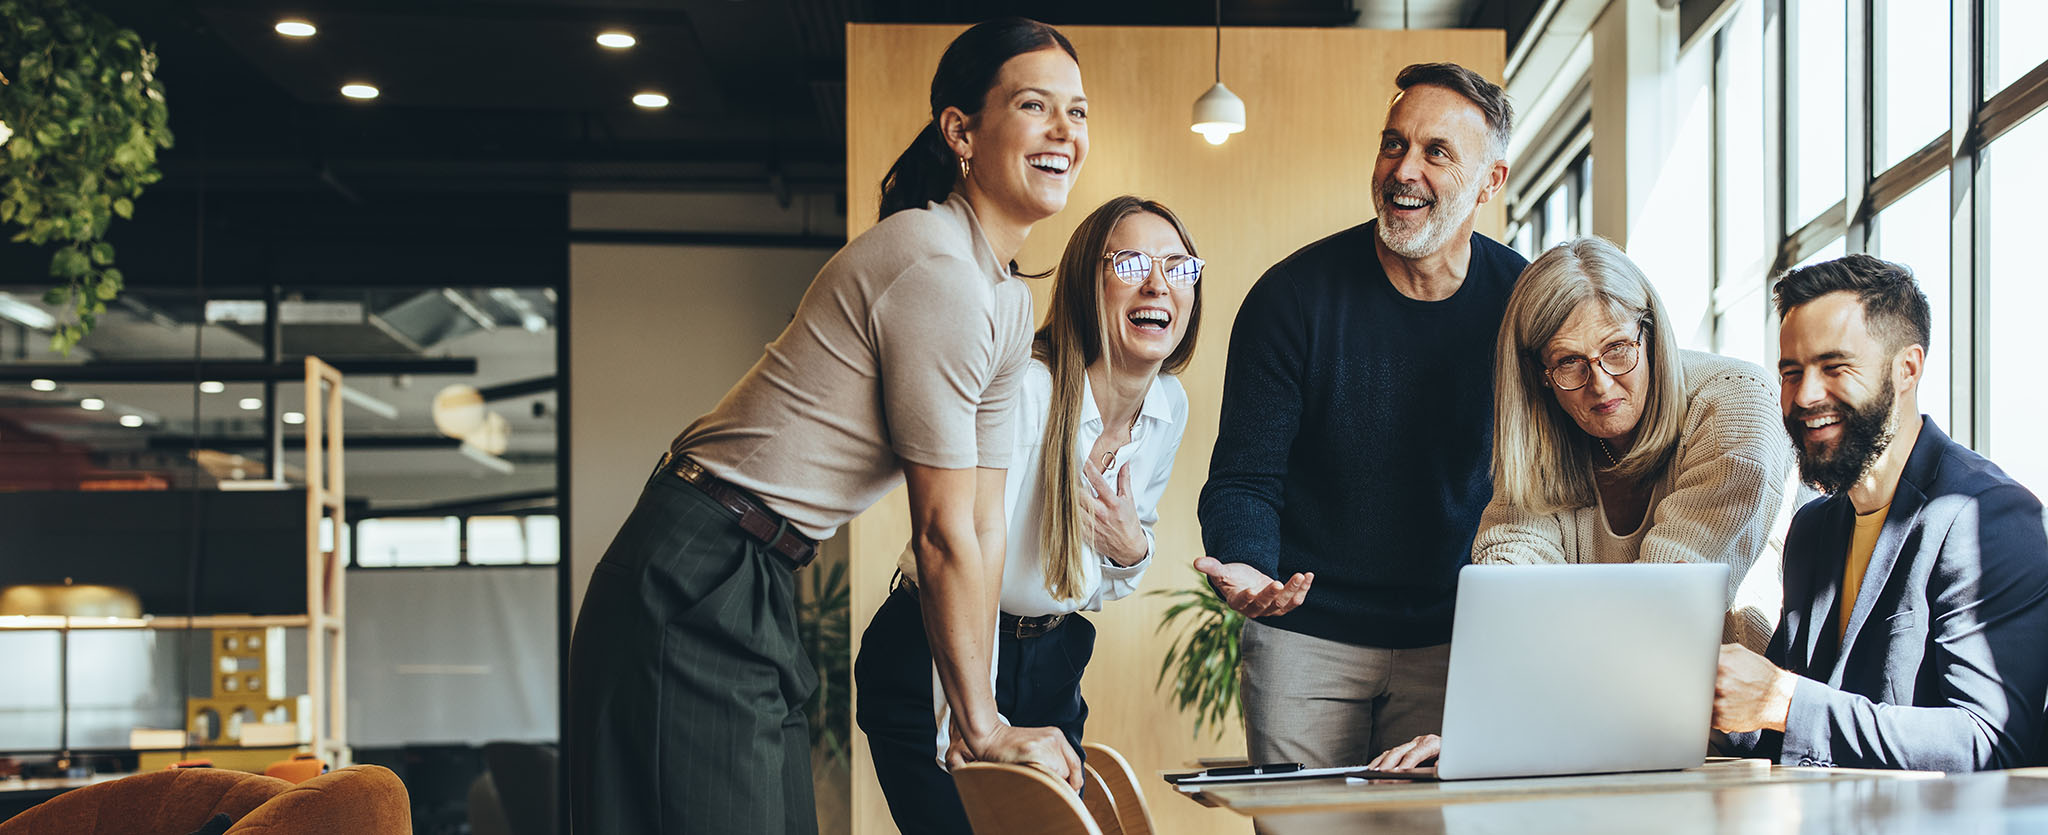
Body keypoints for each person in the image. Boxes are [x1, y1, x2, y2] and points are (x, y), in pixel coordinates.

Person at [566, 18, 1089, 832]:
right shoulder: (936, 267)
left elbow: (983, 522)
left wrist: (972, 717)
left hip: (763, 565)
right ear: (960, 131)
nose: (1064, 131)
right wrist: (984, 726)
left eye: (1078, 112)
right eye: (1034, 105)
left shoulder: (1007, 301)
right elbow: (940, 532)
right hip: (697, 562)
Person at [1196, 62, 1527, 770]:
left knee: (1435, 823)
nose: (1404, 170)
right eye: (1393, 144)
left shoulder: (1525, 303)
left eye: (1437, 152)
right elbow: (1246, 476)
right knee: (1303, 821)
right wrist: (1248, 564)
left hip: (1458, 638)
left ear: (1490, 182)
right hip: (1305, 637)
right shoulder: (1291, 298)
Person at [1366, 235, 1795, 771]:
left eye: (1617, 349)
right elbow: (1512, 593)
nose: (1601, 385)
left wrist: (1505, 733)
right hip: (1594, 728)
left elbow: (1664, 612)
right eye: (1569, 362)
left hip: (1735, 738)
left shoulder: (1738, 403)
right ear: (1540, 375)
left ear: (1651, 333)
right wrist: (1482, 734)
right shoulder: (1542, 437)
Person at [856, 196, 1203, 832]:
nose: (1158, 283)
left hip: (1050, 658)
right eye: (1131, 263)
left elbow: (1106, 577)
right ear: (1087, 284)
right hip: (942, 648)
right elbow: (963, 554)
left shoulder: (1167, 406)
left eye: (1178, 267)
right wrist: (970, 722)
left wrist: (1132, 550)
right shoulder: (1029, 392)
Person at [1713, 255, 2048, 771]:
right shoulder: (1813, 527)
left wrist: (1783, 701)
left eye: (1835, 367)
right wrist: (1706, 707)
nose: (1805, 395)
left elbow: (1986, 742)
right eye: (1791, 372)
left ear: (1907, 369)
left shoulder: (1988, 517)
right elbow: (1780, 727)